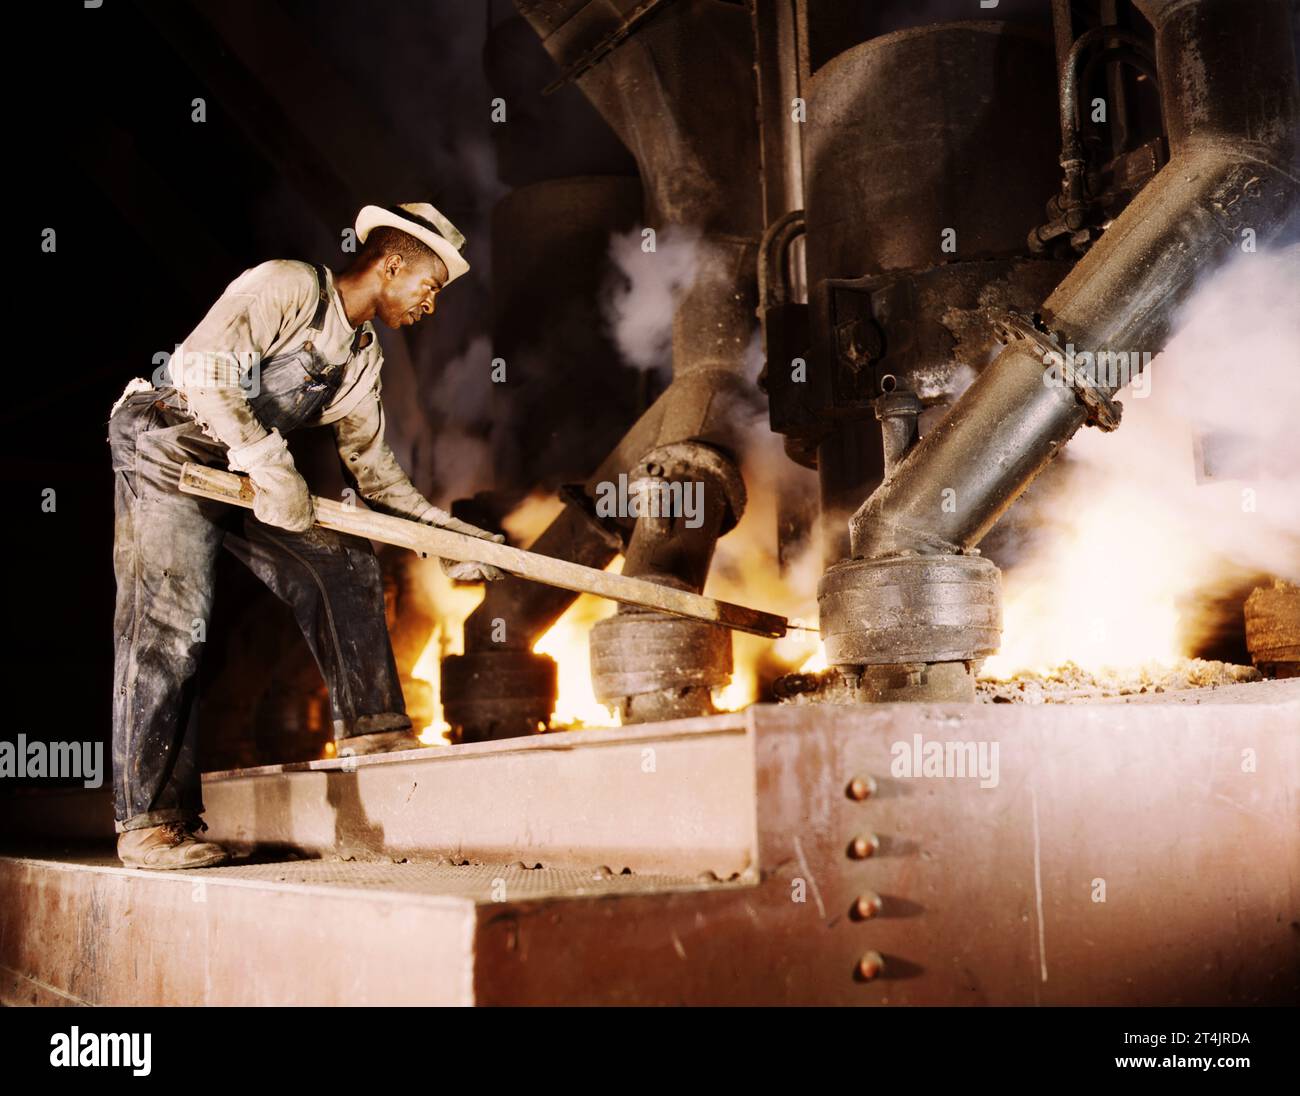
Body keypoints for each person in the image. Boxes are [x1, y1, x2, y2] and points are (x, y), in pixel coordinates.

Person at [107, 202, 500, 870]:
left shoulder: (361, 360)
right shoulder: (289, 285)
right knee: (172, 620)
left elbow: (377, 477)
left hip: (241, 468)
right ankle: (149, 823)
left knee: (344, 564)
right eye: (428, 287)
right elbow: (203, 368)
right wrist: (265, 460)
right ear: (392, 262)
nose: (430, 305)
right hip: (167, 444)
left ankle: (373, 732)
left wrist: (445, 536)